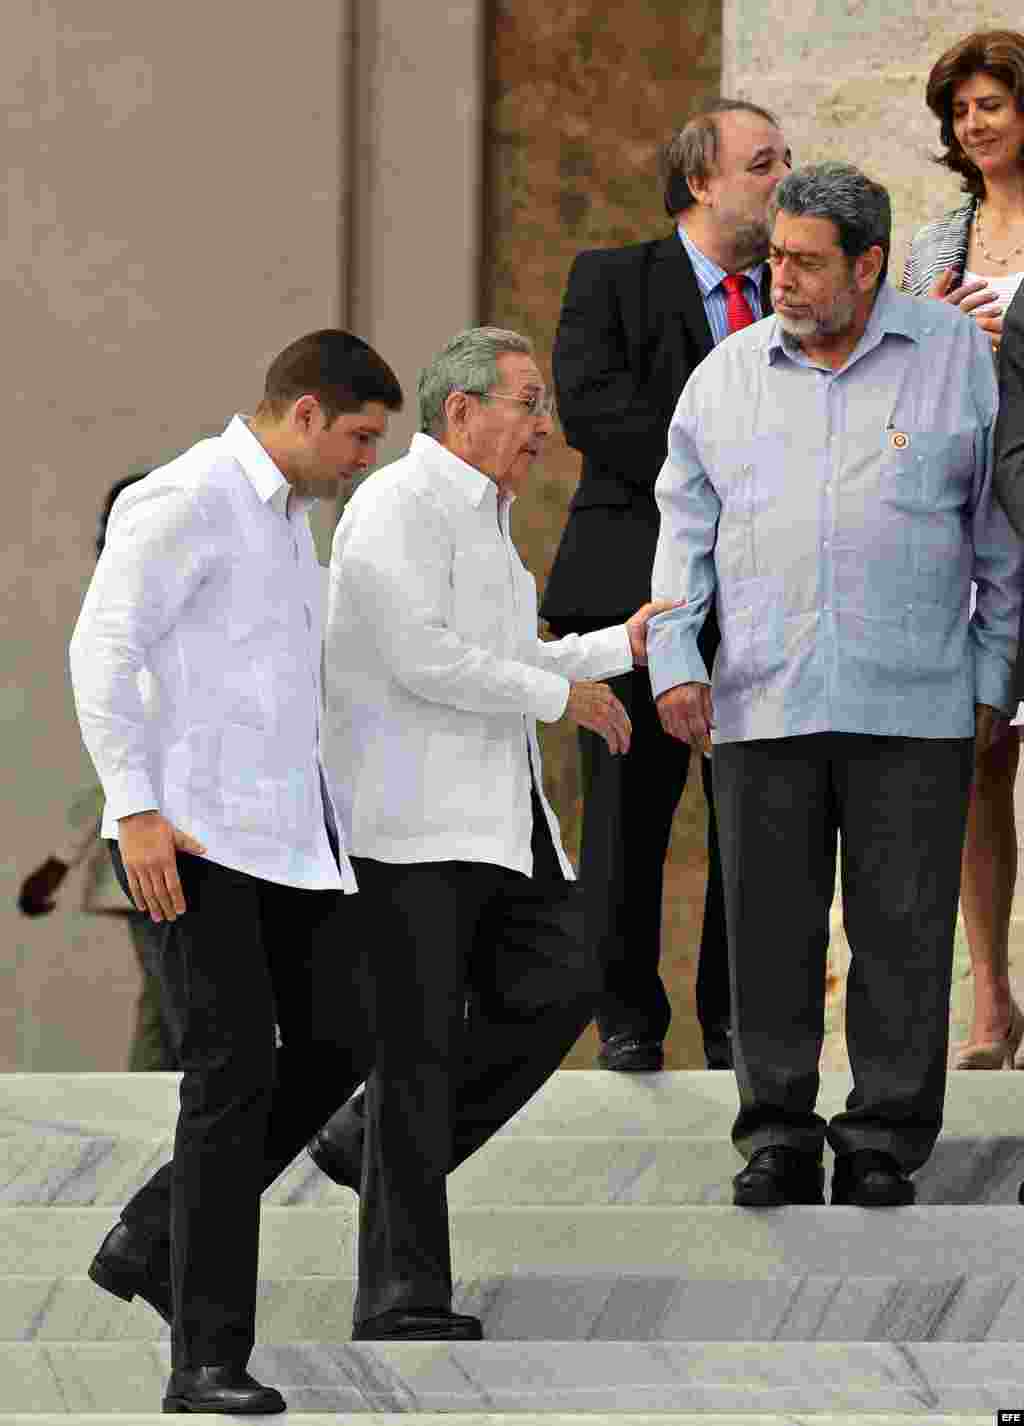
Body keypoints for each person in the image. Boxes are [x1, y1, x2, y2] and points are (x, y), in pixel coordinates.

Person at [649, 162, 1023, 1210]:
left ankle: (883, 1138)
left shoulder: (956, 359)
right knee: (767, 929)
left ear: (869, 264)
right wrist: (677, 659)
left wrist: (992, 676)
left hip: (915, 700)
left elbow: (997, 537)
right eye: (776, 258)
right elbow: (684, 532)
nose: (785, 280)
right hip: (760, 697)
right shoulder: (723, 376)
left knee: (902, 928)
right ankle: (775, 1132)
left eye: (809, 263)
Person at [317, 326, 676, 1341]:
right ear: (461, 410)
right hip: (406, 823)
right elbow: (420, 655)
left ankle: (364, 1142)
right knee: (417, 1053)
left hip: (488, 823)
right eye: (527, 402)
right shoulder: (397, 503)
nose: (542, 426)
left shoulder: (484, 518)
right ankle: (401, 1296)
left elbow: (508, 651)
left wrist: (618, 646)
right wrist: (558, 699)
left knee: (570, 975)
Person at [69, 330, 402, 1415]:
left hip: (288, 845)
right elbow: (102, 649)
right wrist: (136, 809)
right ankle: (204, 1360)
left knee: (339, 1039)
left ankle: (154, 1231)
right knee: (228, 1072)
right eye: (358, 436)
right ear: (304, 413)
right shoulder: (183, 497)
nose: (365, 459)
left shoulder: (291, 528)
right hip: (192, 842)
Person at [539, 98, 792, 1071]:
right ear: (701, 180)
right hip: (626, 588)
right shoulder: (611, 279)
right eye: (762, 163)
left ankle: (736, 1026)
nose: (781, 180)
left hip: (762, 593)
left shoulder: (792, 290)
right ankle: (627, 1023)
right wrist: (724, 464)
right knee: (626, 815)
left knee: (754, 819)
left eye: (784, 162)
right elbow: (593, 412)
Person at [904, 30, 1024, 1070]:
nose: (973, 124)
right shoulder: (934, 241)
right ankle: (989, 1002)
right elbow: (901, 391)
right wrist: (940, 335)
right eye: (961, 110)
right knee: (977, 758)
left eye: (990, 103)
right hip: (967, 523)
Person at [19, 475, 176, 1072]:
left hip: (187, 844)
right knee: (180, 1002)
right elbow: (117, 754)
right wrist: (62, 857)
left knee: (172, 1005)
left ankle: (159, 1125)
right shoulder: (132, 626)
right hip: (160, 848)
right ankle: (163, 1125)